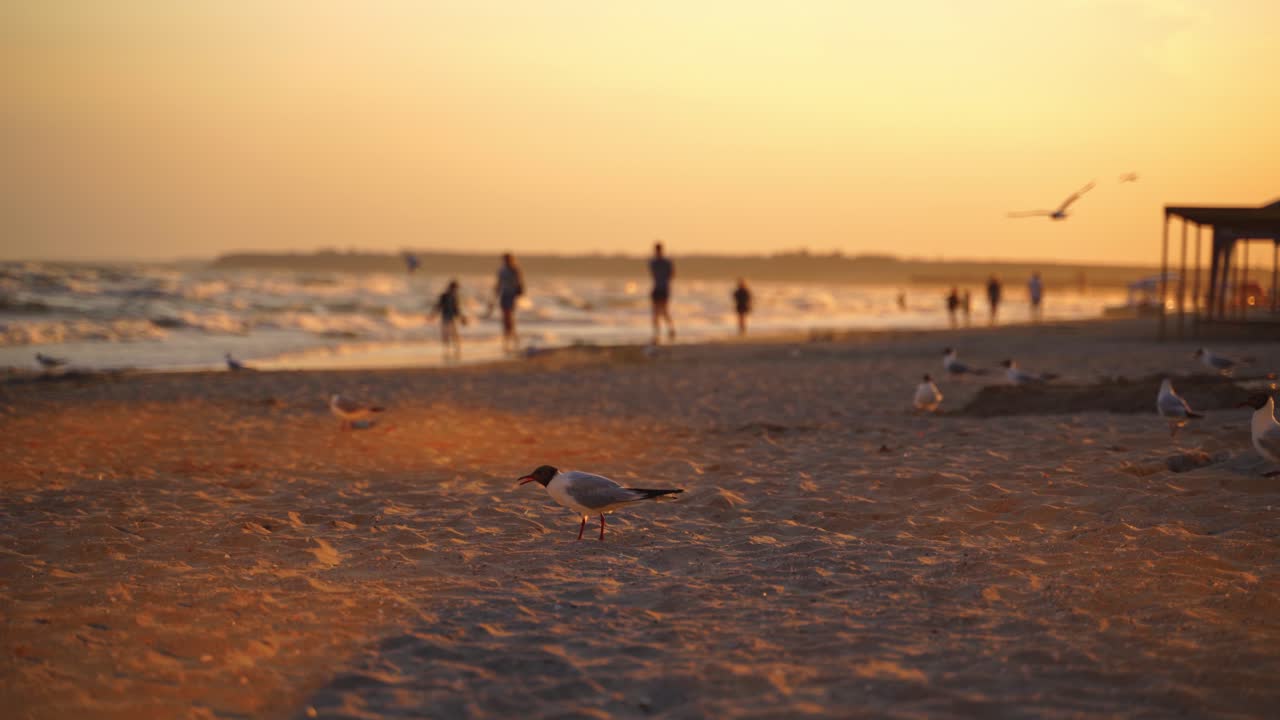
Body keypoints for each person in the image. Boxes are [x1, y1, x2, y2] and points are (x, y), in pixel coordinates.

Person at [494, 253, 524, 352]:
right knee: (505, 318)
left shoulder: (515, 269)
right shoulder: (501, 270)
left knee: (509, 317)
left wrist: (519, 292)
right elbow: (498, 283)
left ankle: (512, 339)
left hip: (511, 295)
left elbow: (519, 282)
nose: (505, 261)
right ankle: (508, 339)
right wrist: (496, 293)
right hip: (504, 294)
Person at [430, 279, 467, 358]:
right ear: (452, 288)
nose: (456, 290)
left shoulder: (454, 297)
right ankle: (447, 350)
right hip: (445, 317)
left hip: (452, 318)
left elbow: (456, 309)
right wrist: (433, 315)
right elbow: (438, 306)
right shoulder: (444, 296)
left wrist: (461, 318)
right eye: (455, 288)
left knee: (454, 334)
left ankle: (456, 350)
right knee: (446, 335)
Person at [649, 242, 676, 342]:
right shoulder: (655, 262)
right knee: (656, 312)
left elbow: (671, 275)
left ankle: (669, 329)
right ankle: (657, 332)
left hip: (663, 289)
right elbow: (672, 275)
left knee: (663, 311)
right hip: (658, 288)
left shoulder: (660, 262)